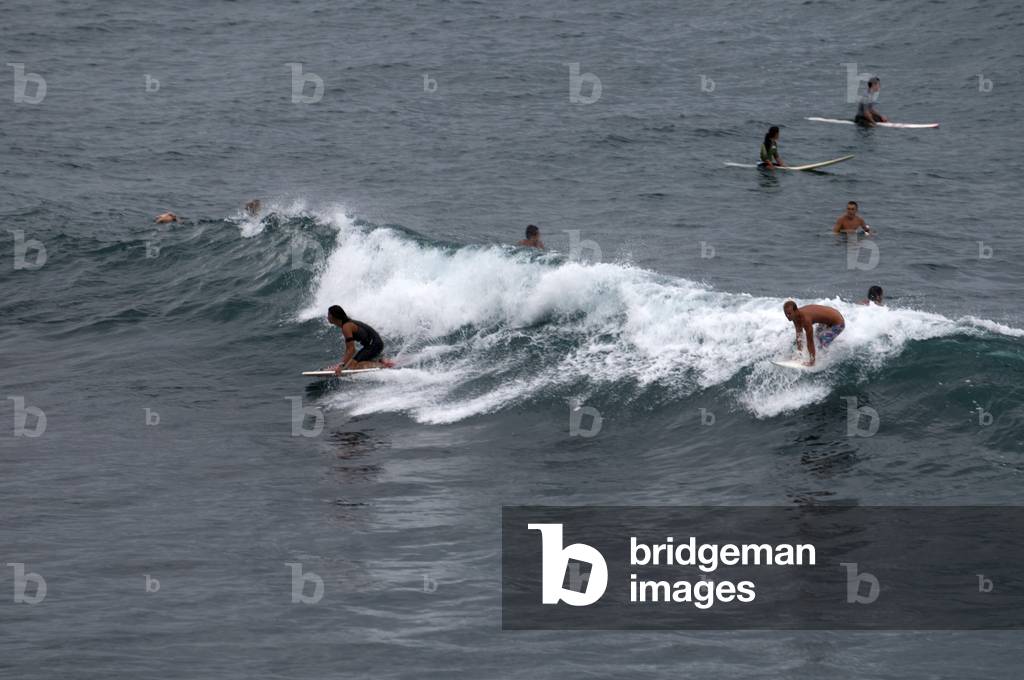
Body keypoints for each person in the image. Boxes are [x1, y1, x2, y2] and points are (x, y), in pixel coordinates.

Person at [326, 305, 393, 372]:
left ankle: (384, 366)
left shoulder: (346, 326)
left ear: (333, 316)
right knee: (349, 365)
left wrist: (341, 366)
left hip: (373, 345)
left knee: (352, 366)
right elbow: (349, 349)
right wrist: (343, 364)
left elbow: (351, 350)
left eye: (328, 314)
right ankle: (381, 361)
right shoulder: (348, 323)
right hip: (374, 344)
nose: (327, 317)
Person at [783, 301, 845, 366]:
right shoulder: (795, 317)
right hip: (827, 320)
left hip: (838, 323)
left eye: (789, 313)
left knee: (822, 340)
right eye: (786, 314)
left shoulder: (806, 319)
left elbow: (810, 341)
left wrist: (812, 361)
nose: (788, 316)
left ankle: (820, 360)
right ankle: (813, 355)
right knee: (817, 336)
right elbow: (799, 336)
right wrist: (799, 354)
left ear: (796, 311)